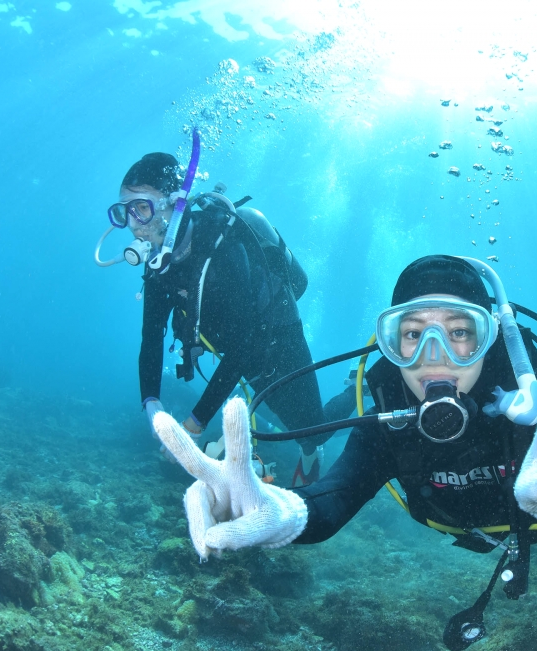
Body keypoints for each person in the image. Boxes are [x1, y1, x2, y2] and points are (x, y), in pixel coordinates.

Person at [153, 255, 537, 650]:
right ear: (392, 344)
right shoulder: (388, 415)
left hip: (527, 529)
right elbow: (334, 497)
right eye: (412, 334)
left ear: (489, 339)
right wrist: (277, 511)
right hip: (470, 523)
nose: (434, 356)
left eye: (459, 332)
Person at [108, 151, 353, 486]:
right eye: (124, 211)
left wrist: (195, 423)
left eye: (142, 207)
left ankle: (357, 390)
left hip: (279, 334)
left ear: (175, 205)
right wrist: (151, 403)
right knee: (278, 411)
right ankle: (298, 436)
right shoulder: (159, 267)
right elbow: (150, 338)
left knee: (313, 430)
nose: (134, 224)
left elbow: (244, 344)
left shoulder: (223, 247)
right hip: (239, 349)